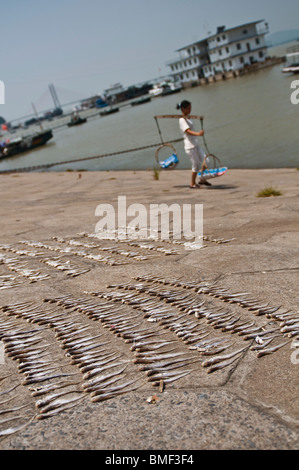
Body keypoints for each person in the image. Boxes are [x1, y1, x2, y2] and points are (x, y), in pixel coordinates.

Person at [177, 100, 211, 188]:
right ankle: (192, 183)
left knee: (206, 160)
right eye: (188, 108)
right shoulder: (181, 120)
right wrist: (198, 134)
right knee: (195, 165)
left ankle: (202, 179)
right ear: (183, 109)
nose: (190, 109)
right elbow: (187, 131)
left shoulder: (189, 118)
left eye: (190, 108)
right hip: (190, 146)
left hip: (195, 144)